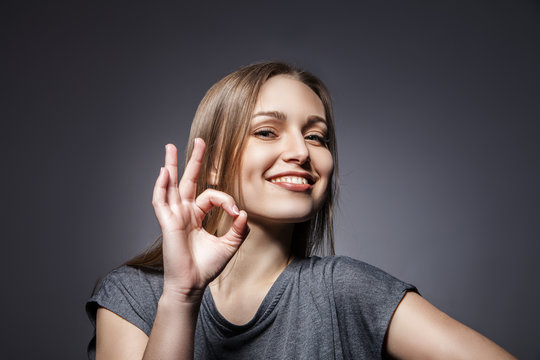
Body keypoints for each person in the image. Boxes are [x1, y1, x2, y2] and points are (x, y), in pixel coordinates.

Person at [86, 61, 515, 359]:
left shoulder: (348, 291)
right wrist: (181, 296)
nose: (300, 152)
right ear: (215, 161)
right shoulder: (132, 296)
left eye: (316, 137)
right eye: (268, 131)